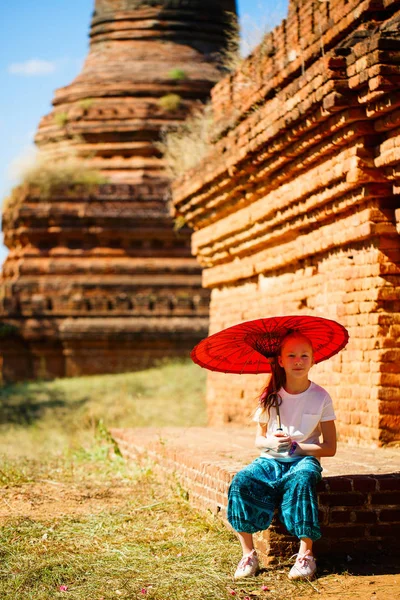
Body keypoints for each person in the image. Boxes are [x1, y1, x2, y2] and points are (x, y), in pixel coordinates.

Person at [227, 331, 337, 581]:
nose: (298, 360)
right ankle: (248, 554)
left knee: (303, 480)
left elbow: (330, 447)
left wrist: (299, 448)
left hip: (303, 460)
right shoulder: (270, 397)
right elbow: (258, 441)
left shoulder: (321, 397)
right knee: (241, 481)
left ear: (313, 360)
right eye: (292, 355)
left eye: (304, 355)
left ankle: (305, 554)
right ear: (280, 361)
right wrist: (270, 442)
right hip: (270, 461)